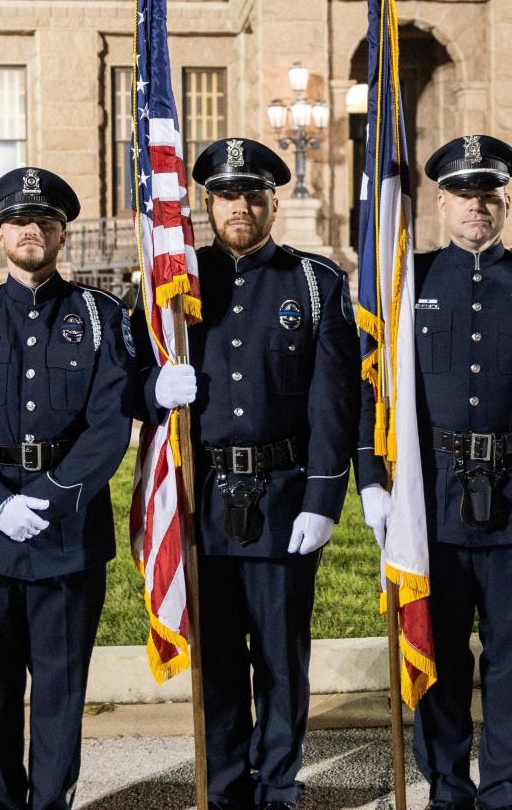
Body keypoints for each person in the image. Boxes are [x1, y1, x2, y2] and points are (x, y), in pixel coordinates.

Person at [134, 136, 375, 810]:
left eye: (254, 195)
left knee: (279, 657)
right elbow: (128, 384)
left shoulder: (313, 281)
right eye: (226, 196)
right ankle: (225, 785)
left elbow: (336, 400)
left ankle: (278, 785)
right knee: (215, 661)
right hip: (200, 497)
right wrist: (155, 387)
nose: (240, 207)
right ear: (205, 204)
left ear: (274, 203)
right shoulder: (174, 282)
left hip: (281, 493)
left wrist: (324, 498)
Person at [0, 166, 150, 810]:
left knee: (60, 686)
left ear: (62, 235)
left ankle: (51, 804)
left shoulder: (99, 317)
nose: (32, 232)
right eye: (20, 221)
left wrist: (44, 499)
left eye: (45, 222)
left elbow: (110, 423)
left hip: (65, 529)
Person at [383, 134, 512, 810]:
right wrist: (374, 480)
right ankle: (447, 785)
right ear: (440, 202)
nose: (479, 205)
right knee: (439, 654)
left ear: (508, 201)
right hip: (436, 497)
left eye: (491, 194)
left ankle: (505, 785)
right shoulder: (406, 281)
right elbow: (376, 392)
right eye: (465, 194)